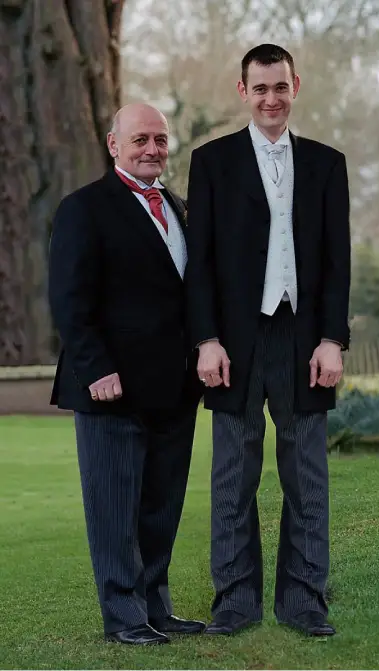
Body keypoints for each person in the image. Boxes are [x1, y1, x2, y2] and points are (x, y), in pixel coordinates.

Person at [186, 44, 351, 637]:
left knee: (306, 472)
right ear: (243, 92)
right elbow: (199, 263)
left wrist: (333, 338)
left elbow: (338, 262)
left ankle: (304, 596)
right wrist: (205, 339)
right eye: (260, 89)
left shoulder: (328, 165)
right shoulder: (210, 163)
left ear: (295, 85)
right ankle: (234, 597)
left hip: (304, 337)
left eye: (279, 87)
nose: (271, 99)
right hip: (233, 340)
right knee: (234, 470)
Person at [48, 103, 204, 645]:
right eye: (140, 139)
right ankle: (124, 617)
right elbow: (69, 300)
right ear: (114, 144)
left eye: (160, 140)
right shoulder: (83, 209)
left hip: (176, 387)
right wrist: (96, 368)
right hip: (110, 389)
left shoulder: (180, 208)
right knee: (114, 510)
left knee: (161, 508)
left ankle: (157, 607)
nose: (152, 149)